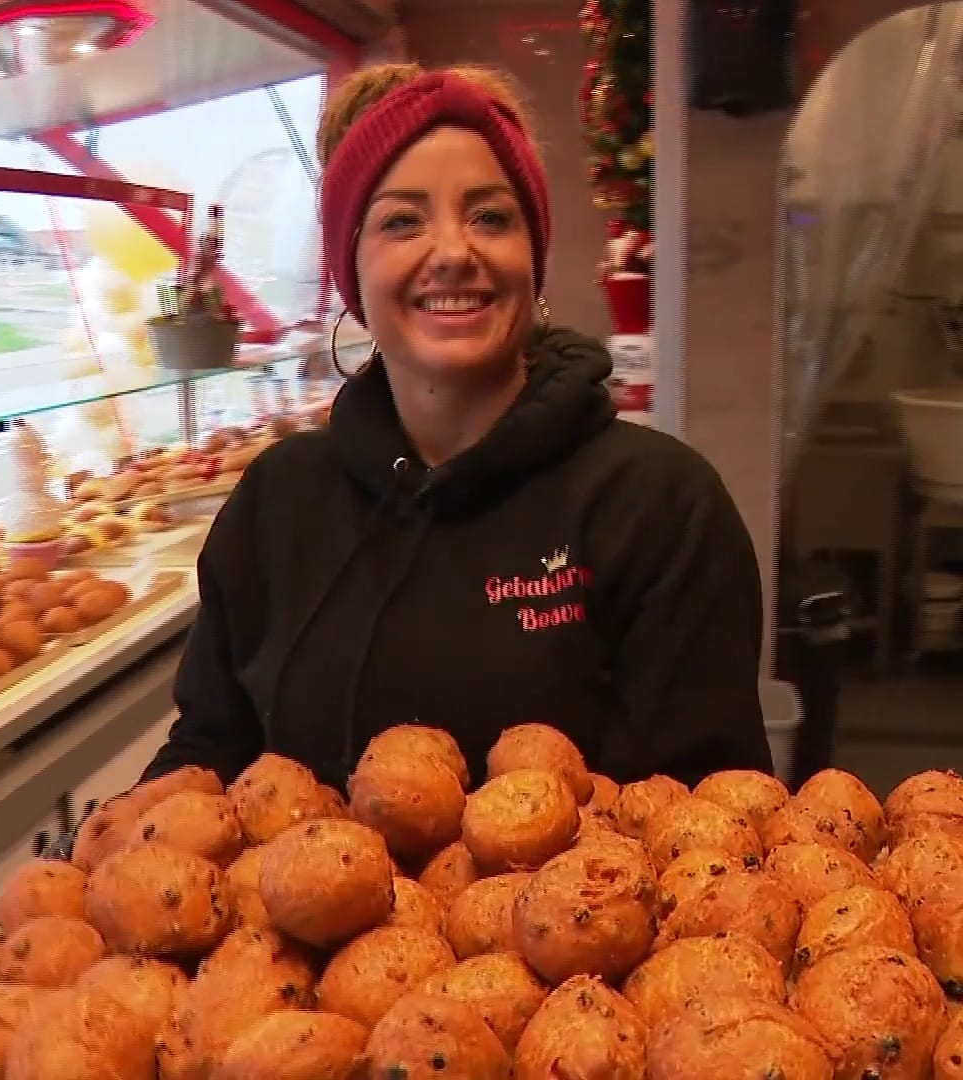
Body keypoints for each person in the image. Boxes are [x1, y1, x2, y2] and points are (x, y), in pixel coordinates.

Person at [144, 63, 770, 793]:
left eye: (490, 217)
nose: (451, 253)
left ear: (533, 259)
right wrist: (122, 829)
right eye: (402, 222)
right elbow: (210, 741)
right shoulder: (279, 499)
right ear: (351, 269)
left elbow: (713, 813)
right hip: (294, 873)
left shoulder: (659, 503)